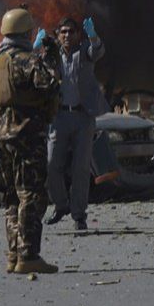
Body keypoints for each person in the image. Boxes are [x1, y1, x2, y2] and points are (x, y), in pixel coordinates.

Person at [0, 7, 61, 274]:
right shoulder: (27, 60)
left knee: (11, 196)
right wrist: (51, 58)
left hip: (2, 134)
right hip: (28, 133)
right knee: (31, 193)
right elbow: (51, 86)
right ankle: (29, 255)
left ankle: (13, 254)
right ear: (25, 33)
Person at [43, 17, 109, 230]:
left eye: (71, 31)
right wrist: (37, 49)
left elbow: (98, 51)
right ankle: (61, 205)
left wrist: (93, 35)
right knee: (52, 164)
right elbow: (38, 68)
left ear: (78, 34)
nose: (67, 35)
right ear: (57, 34)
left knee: (81, 168)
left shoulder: (85, 53)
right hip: (59, 117)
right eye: (63, 32)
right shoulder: (52, 56)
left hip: (83, 117)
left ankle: (78, 215)